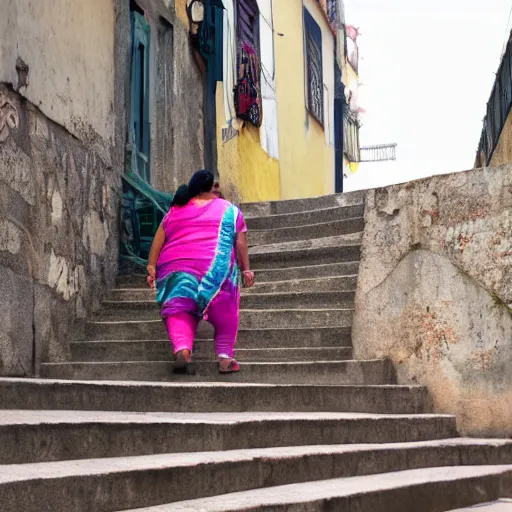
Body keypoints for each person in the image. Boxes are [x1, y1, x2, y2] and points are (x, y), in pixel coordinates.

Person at [146, 170, 254, 374]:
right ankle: (224, 358)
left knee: (179, 311)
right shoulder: (229, 211)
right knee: (225, 314)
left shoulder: (174, 212)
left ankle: (183, 349)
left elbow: (158, 241)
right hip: (215, 272)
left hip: (174, 271)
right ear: (213, 187)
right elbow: (240, 243)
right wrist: (246, 270)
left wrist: (152, 268)